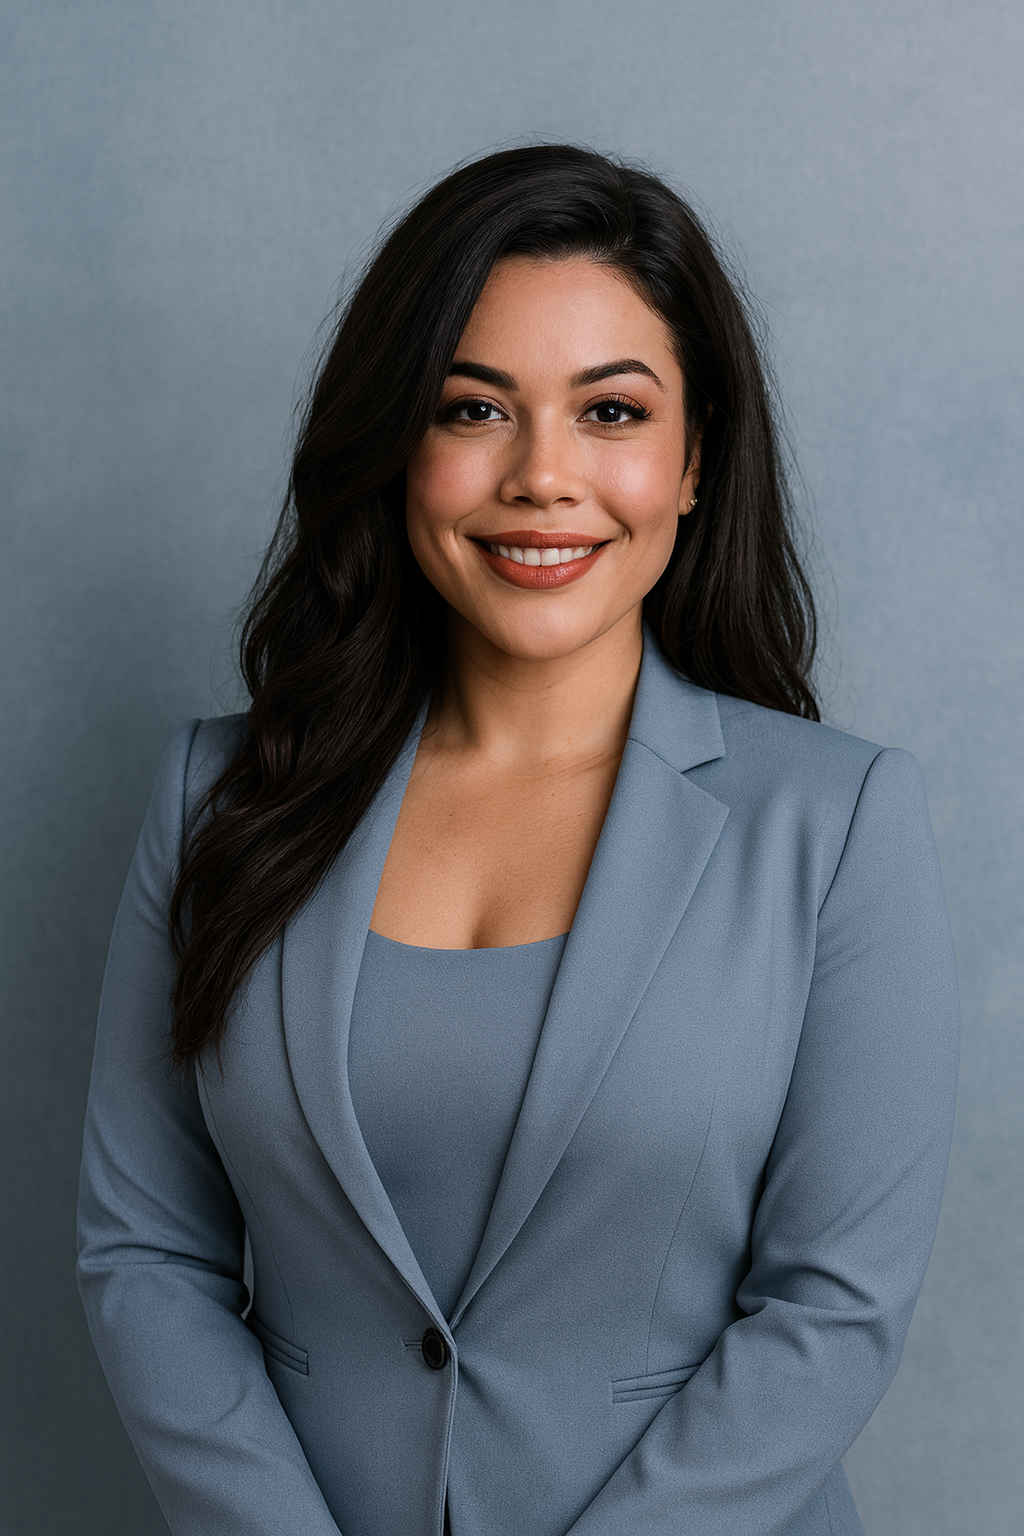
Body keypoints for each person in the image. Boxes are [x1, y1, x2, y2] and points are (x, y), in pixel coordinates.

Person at [76, 145, 959, 1536]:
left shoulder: (837, 825)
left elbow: (832, 1309)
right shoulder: (214, 797)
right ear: (397, 446)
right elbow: (147, 1253)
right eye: (475, 406)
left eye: (611, 411)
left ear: (694, 460)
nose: (544, 477)